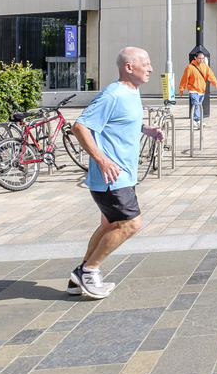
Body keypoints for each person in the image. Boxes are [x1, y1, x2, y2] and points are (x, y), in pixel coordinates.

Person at [66, 47, 166, 299]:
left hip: (122, 175)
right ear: (129, 67)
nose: (151, 69)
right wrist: (102, 160)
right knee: (131, 224)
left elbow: (119, 122)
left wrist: (145, 129)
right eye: (146, 63)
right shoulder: (113, 94)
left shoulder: (131, 92)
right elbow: (80, 127)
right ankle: (88, 271)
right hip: (112, 177)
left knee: (109, 225)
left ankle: (80, 276)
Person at [177, 50, 217, 129]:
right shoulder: (190, 67)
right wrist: (181, 89)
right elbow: (185, 79)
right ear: (195, 58)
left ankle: (196, 120)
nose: (201, 60)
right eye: (199, 58)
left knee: (199, 105)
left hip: (201, 89)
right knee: (196, 103)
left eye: (202, 58)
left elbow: (211, 75)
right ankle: (197, 120)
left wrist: (215, 83)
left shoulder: (205, 66)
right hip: (193, 89)